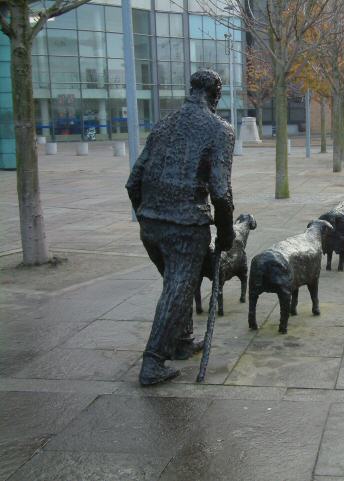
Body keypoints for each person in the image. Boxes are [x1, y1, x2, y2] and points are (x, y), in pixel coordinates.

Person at [126, 70, 235, 386]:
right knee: (177, 288)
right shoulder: (219, 130)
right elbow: (221, 192)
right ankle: (153, 361)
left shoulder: (163, 125)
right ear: (216, 94)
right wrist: (226, 235)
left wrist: (147, 215)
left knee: (180, 282)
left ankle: (183, 340)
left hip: (151, 225)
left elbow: (134, 180)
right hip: (185, 225)